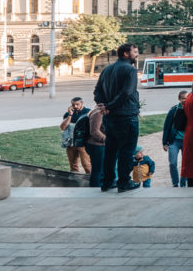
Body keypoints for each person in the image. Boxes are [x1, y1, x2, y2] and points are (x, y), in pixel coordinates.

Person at [93, 43, 142, 193]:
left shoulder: (107, 69)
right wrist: (109, 107)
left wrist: (103, 106)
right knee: (127, 151)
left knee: (110, 151)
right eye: (135, 51)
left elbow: (97, 92)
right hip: (126, 116)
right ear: (126, 54)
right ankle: (124, 182)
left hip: (110, 118)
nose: (137, 54)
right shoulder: (130, 70)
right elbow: (126, 93)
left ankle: (107, 182)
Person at [162, 90, 189, 187]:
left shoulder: (191, 109)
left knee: (185, 164)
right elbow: (167, 127)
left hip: (187, 141)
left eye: (186, 98)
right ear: (179, 99)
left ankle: (183, 183)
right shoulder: (174, 110)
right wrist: (164, 142)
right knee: (173, 163)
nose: (185, 100)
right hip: (174, 141)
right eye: (183, 98)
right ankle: (175, 183)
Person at [60, 97, 91, 174]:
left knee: (87, 165)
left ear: (82, 103)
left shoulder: (88, 112)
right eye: (73, 105)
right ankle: (75, 182)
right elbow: (63, 127)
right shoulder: (68, 114)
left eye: (77, 104)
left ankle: (91, 182)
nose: (75, 106)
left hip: (83, 144)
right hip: (70, 143)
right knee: (73, 166)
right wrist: (70, 115)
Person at [84, 104, 106, 188]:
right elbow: (94, 131)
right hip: (97, 145)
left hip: (99, 145)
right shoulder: (98, 113)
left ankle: (98, 186)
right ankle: (95, 188)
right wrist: (106, 139)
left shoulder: (98, 111)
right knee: (98, 170)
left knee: (100, 169)